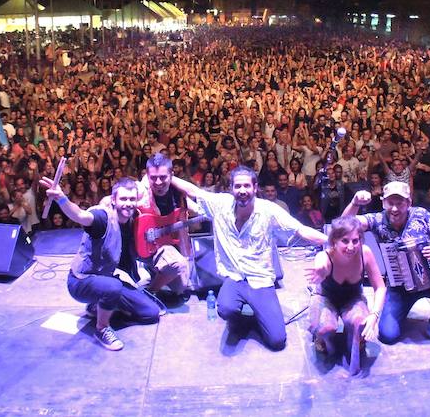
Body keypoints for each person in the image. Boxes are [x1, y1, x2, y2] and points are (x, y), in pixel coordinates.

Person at [170, 165, 327, 351]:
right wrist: (167, 177)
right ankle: (241, 320)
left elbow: (300, 229)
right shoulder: (221, 204)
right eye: (238, 186)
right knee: (225, 309)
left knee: (277, 341)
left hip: (260, 280)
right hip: (235, 278)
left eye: (246, 186)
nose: (242, 191)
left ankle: (258, 318)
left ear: (254, 187)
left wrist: (332, 243)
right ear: (231, 188)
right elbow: (193, 190)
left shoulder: (268, 210)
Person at [38, 176, 161, 351]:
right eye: (123, 199)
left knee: (151, 313)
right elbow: (80, 215)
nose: (128, 203)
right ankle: (101, 328)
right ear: (114, 200)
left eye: (132, 199)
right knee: (113, 288)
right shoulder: (103, 217)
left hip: (106, 280)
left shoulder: (132, 220)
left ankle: (98, 306)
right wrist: (61, 198)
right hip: (81, 281)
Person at [341, 181, 430, 350]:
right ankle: (399, 310)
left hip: (429, 280)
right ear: (383, 202)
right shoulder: (377, 220)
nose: (395, 209)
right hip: (399, 286)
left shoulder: (421, 214)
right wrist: (355, 203)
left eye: (400, 203)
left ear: (408, 202)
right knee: (388, 335)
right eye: (390, 203)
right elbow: (344, 225)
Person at [306, 216, 386, 374]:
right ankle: (325, 341)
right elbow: (321, 263)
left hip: (352, 298)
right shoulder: (326, 256)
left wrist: (374, 315)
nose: (351, 247)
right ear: (334, 241)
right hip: (326, 298)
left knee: (359, 323)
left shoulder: (365, 253)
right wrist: (321, 271)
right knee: (325, 328)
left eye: (355, 241)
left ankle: (354, 339)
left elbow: (380, 287)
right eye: (345, 241)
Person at [136, 153, 192, 298]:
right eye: (153, 178)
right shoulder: (141, 192)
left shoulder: (179, 194)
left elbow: (186, 223)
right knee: (177, 265)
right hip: (139, 247)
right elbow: (114, 198)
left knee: (181, 286)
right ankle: (150, 292)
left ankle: (155, 269)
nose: (158, 182)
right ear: (147, 176)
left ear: (171, 175)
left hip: (165, 246)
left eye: (163, 177)